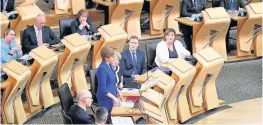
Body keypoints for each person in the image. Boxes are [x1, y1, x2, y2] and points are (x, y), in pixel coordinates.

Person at [96, 46, 120, 123]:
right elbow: (102, 89)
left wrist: (118, 91)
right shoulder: (102, 69)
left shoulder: (109, 65)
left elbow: (112, 81)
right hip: (105, 99)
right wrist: (114, 98)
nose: (114, 59)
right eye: (112, 57)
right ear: (106, 58)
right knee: (109, 119)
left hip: (111, 95)